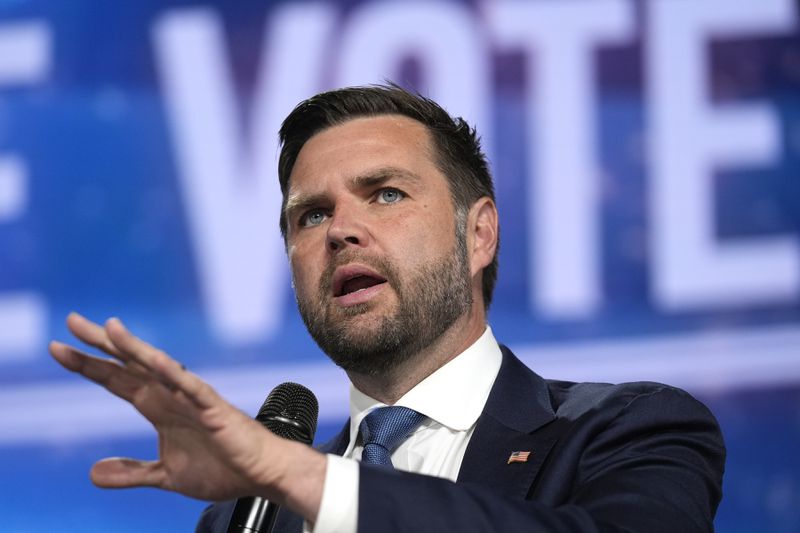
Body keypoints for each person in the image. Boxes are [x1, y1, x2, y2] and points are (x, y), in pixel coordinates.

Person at [50, 84, 725, 532]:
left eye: (386, 194)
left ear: (479, 232)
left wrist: (305, 477)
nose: (341, 231)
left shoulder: (631, 430)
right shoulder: (248, 515)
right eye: (311, 215)